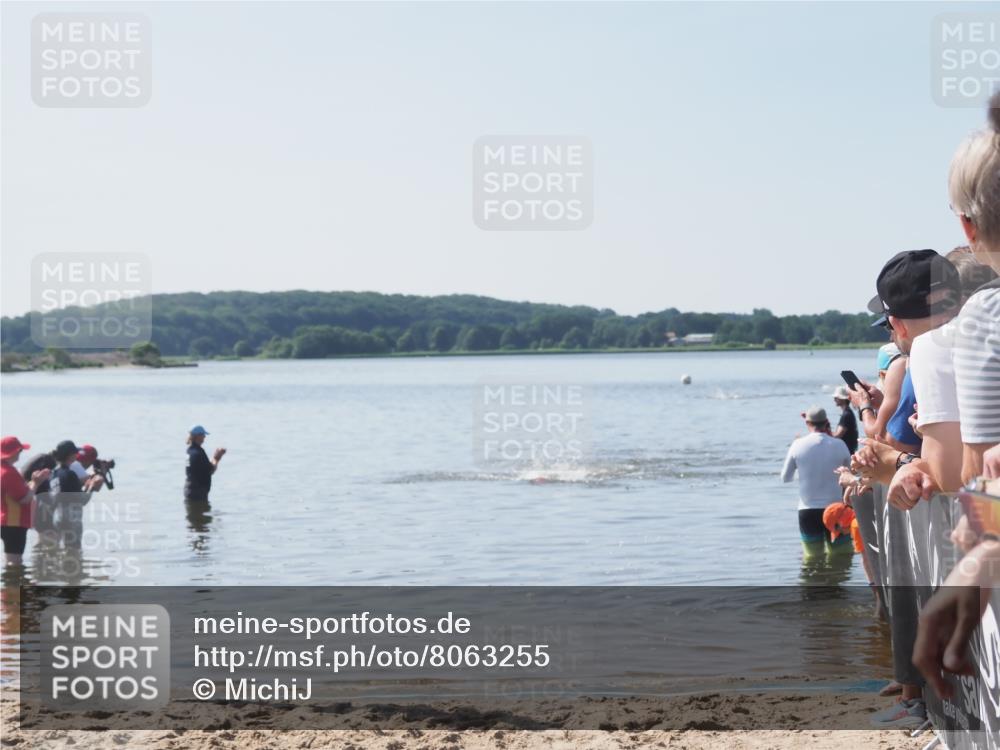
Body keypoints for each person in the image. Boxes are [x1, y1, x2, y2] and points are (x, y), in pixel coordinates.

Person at [781, 407, 852, 558]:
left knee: (812, 559)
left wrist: (805, 474)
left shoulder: (797, 445)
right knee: (841, 558)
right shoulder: (840, 444)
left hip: (808, 510)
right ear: (826, 422)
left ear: (807, 422)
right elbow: (852, 474)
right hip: (836, 510)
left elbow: (785, 478)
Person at [1, 436, 50, 565]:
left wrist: (31, 483)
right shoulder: (9, 472)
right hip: (13, 523)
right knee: (15, 563)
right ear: (14, 452)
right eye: (20, 451)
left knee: (10, 561)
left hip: (4, 520)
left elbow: (16, 492)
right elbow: (24, 499)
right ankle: (13, 585)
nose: (20, 454)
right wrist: (36, 483)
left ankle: (9, 584)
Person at [50, 440, 103, 550]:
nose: (77, 455)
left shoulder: (54, 474)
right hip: (71, 518)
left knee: (63, 550)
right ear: (70, 456)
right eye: (75, 453)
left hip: (58, 517)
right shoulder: (70, 474)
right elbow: (83, 500)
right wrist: (92, 486)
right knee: (74, 553)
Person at [185, 425, 225, 503]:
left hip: (188, 489)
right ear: (198, 436)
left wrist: (214, 459)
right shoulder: (199, 453)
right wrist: (217, 458)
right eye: (203, 435)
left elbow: (202, 467)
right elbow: (211, 470)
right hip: (198, 493)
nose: (204, 437)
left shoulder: (189, 451)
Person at [831, 386, 859, 454]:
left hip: (847, 451)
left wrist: (824, 433)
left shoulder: (846, 415)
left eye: (836, 397)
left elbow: (838, 435)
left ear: (842, 399)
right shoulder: (848, 412)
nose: (834, 399)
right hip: (849, 450)